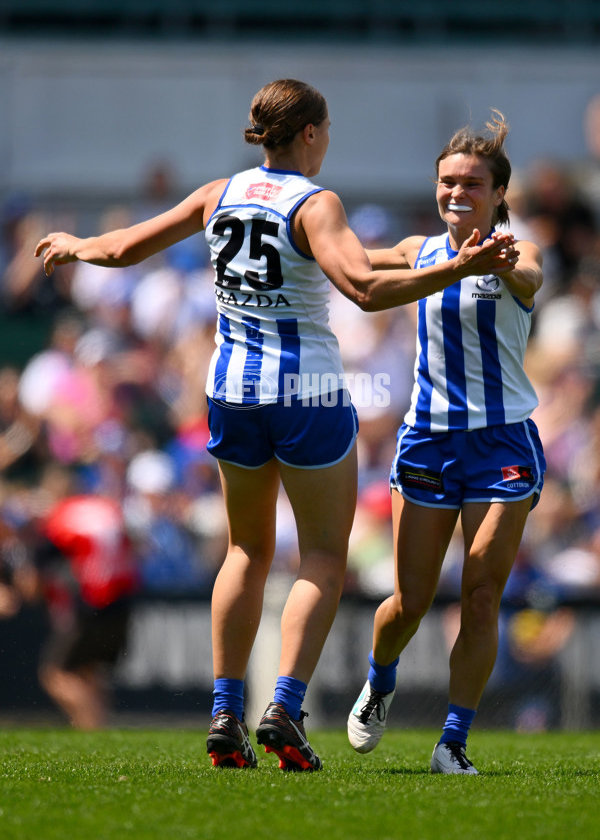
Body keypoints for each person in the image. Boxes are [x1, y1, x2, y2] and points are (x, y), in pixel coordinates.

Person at [36, 80, 517, 769]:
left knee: (244, 552)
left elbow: (122, 251)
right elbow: (362, 287)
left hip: (230, 388)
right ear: (312, 134)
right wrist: (457, 267)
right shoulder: (317, 203)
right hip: (307, 391)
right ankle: (284, 708)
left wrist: (77, 243)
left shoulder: (218, 193)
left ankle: (225, 713)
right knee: (321, 556)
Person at [347, 110, 545, 774]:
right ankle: (381, 677)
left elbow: (529, 281)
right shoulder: (418, 251)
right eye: (447, 183)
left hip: (502, 443)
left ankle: (453, 740)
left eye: (471, 184)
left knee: (483, 590)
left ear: (497, 194)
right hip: (428, 443)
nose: (457, 194)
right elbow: (346, 264)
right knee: (410, 601)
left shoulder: (519, 248)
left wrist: (501, 265)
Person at [22, 476, 139, 729]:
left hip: (93, 604)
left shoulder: (62, 516)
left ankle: (92, 728)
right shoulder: (106, 508)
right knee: (89, 669)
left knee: (55, 673)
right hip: (123, 602)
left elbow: (35, 579)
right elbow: (133, 548)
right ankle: (102, 729)